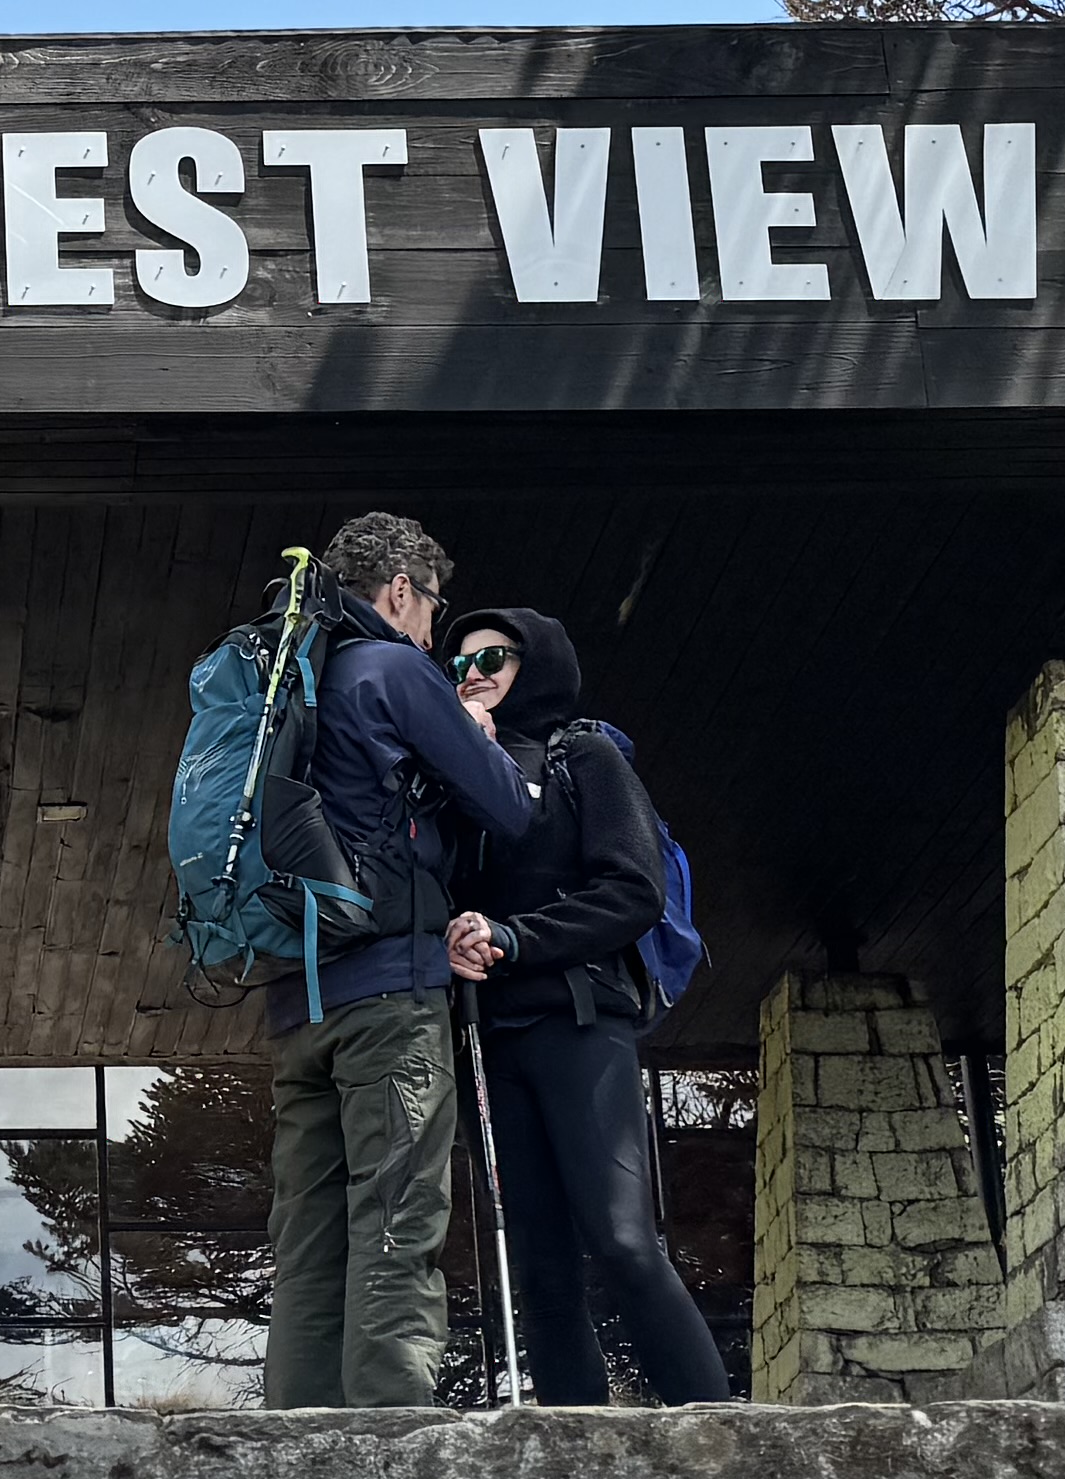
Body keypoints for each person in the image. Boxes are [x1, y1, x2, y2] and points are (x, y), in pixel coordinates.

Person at [260, 509, 530, 1411]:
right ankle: (389, 1436)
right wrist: (476, 733)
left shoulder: (292, 676)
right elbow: (508, 808)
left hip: (297, 1005)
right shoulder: (392, 668)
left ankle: (294, 1439)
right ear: (401, 588)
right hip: (388, 997)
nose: (433, 631)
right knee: (395, 1217)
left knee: (308, 1238)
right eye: (433, 607)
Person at [440, 606, 737, 1407]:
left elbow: (633, 891)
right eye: (458, 664)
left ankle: (719, 1434)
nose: (472, 674)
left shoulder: (585, 756)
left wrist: (515, 937)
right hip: (487, 1040)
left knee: (622, 1239)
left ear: (535, 664)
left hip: (578, 1023)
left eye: (492, 658)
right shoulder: (446, 775)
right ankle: (575, 1450)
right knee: (540, 1269)